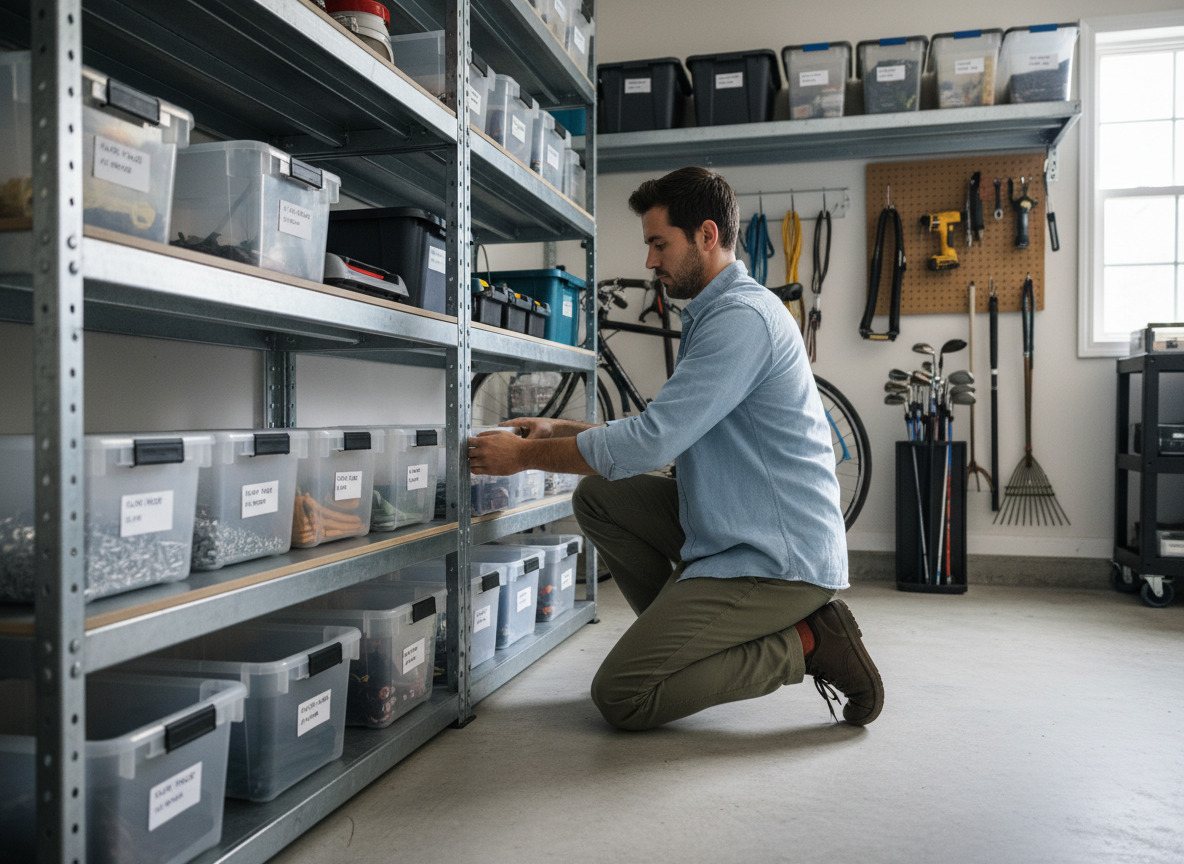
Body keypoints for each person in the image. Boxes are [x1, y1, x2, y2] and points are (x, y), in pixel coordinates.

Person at [468, 166, 883, 731]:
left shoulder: (742, 320)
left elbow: (653, 441)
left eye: (659, 244)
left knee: (622, 696)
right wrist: (559, 432)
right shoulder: (714, 313)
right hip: (731, 523)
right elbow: (668, 426)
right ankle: (681, 630)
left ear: (707, 236)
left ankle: (809, 643)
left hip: (778, 557)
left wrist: (521, 458)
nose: (649, 261)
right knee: (599, 498)